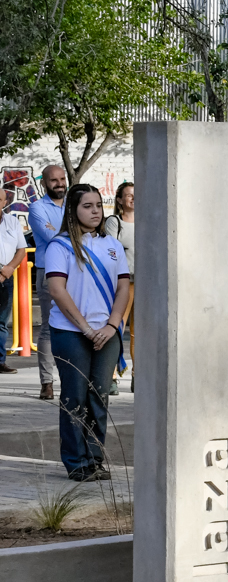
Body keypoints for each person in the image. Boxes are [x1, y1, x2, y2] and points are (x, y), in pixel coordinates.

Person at [44, 183, 130, 481]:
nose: (95, 211)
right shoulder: (60, 245)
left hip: (107, 333)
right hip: (71, 332)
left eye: (98, 206)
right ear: (73, 210)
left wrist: (111, 324)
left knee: (99, 397)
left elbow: (123, 288)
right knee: (75, 398)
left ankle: (95, 459)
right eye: (87, 206)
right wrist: (85, 328)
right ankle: (76, 462)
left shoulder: (112, 245)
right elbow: (57, 290)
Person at [28, 164, 67, 400]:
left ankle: (73, 380)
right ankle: (47, 382)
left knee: (76, 325)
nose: (60, 183)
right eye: (54, 180)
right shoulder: (37, 208)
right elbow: (52, 237)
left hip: (76, 271)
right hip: (49, 272)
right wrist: (73, 233)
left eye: (62, 179)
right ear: (44, 183)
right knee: (49, 327)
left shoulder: (74, 203)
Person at [103, 181, 135, 395]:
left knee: (139, 332)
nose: (134, 198)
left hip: (146, 280)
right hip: (124, 281)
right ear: (120, 200)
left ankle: (137, 375)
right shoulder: (114, 222)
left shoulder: (149, 220)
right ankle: (111, 375)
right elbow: (111, 251)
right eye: (129, 195)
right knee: (116, 327)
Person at [0, 205, 26, 374]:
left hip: (6, 276)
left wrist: (8, 269)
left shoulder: (12, 222)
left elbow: (21, 250)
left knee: (2, 322)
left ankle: (0, 361)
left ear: (4, 202)